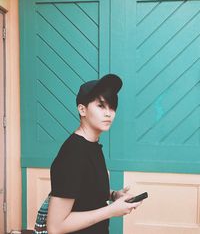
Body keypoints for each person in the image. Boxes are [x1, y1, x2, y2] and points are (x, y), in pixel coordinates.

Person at [46, 74, 142, 234]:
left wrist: (113, 195)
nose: (108, 113)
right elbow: (55, 227)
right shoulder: (73, 153)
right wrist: (111, 210)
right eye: (101, 106)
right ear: (82, 109)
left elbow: (83, 190)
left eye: (112, 107)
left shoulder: (91, 145)